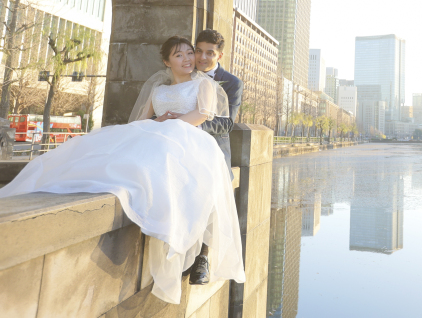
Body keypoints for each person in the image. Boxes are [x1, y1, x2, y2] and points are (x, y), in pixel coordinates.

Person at [0, 36, 246, 304]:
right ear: (166, 61)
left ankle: (194, 253)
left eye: (190, 53)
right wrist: (157, 121)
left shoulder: (205, 85)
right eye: (181, 55)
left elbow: (202, 115)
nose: (189, 59)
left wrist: (168, 126)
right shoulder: (158, 90)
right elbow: (140, 121)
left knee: (166, 166)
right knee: (114, 155)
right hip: (160, 135)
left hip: (190, 140)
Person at [188, 29, 243, 285]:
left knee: (210, 191)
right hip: (181, 146)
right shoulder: (183, 73)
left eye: (209, 52)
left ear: (219, 54)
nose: (202, 57)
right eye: (198, 50)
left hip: (212, 151)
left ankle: (203, 257)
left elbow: (226, 123)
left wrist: (193, 125)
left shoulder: (231, 83)